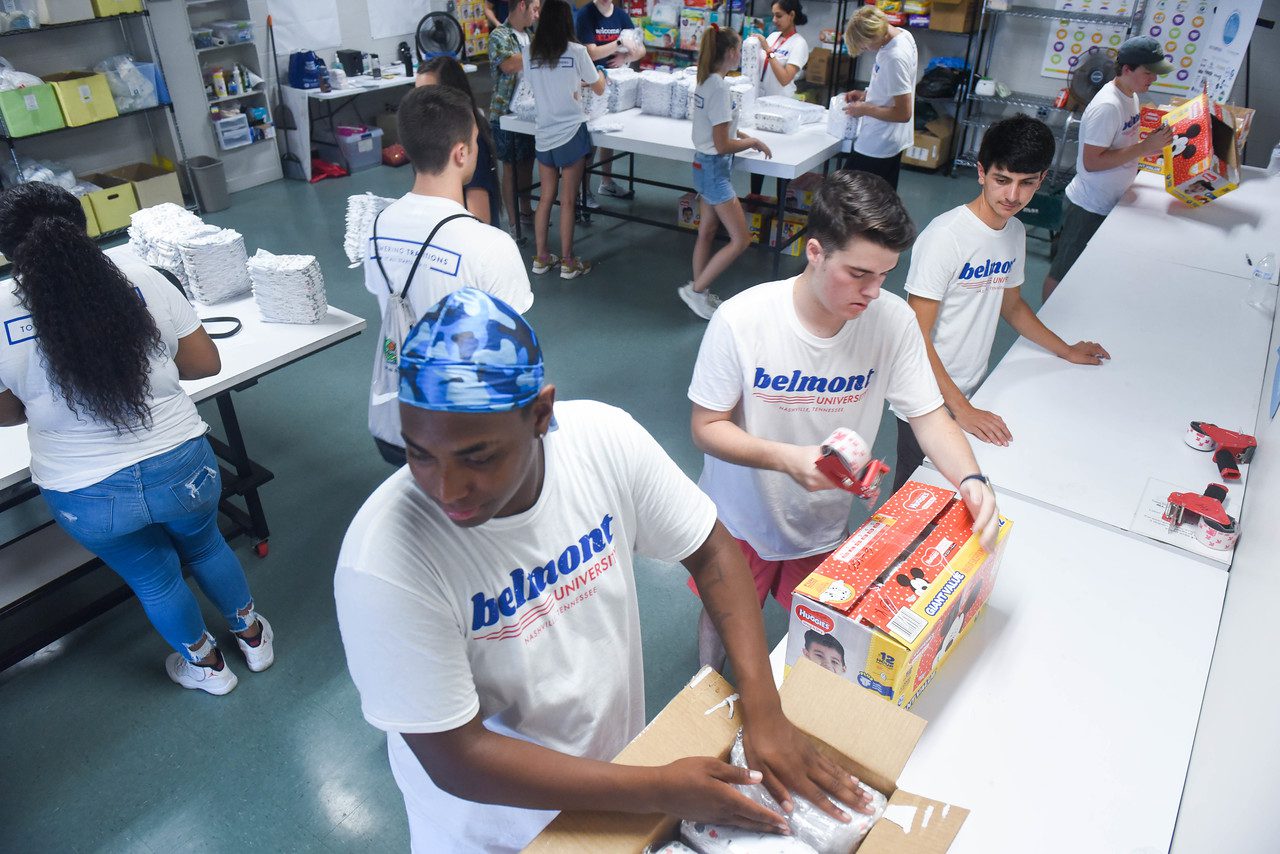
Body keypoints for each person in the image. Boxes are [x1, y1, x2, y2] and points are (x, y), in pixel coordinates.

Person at [334, 288, 877, 854]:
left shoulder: (601, 442)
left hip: (614, 778)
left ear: (541, 414)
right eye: (419, 453)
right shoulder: (386, 561)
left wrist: (763, 707)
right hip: (497, 830)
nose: (447, 488)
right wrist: (657, 789)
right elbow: (459, 760)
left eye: (478, 456)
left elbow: (713, 550)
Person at [686, 171, 999, 668]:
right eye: (859, 274)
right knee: (723, 615)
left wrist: (971, 477)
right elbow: (706, 427)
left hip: (822, 525)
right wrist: (789, 460)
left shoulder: (891, 320)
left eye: (885, 276)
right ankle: (703, 683)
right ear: (815, 252)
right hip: (739, 519)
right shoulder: (743, 321)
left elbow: (928, 414)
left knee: (816, 632)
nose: (874, 292)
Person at [0, 182, 273, 695]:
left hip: (86, 488)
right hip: (181, 465)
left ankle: (209, 669)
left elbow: (8, 415)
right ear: (81, 230)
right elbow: (203, 363)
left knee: (153, 578)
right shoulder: (142, 278)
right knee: (207, 544)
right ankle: (253, 638)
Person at [895, 115, 1111, 492]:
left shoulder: (1014, 231)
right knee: (915, 494)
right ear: (981, 173)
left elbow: (1011, 305)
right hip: (927, 398)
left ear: (1042, 180)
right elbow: (914, 335)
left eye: (1026, 183)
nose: (1013, 195)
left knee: (952, 493)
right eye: (1002, 180)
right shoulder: (947, 238)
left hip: (971, 386)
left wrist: (1066, 350)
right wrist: (960, 408)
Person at [365, 85, 532, 467]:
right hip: (467, 432)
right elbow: (510, 355)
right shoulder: (490, 245)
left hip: (400, 419)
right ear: (461, 153)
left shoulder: (376, 227)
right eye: (475, 141)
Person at [1043, 35, 1174, 300]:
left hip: (1111, 199)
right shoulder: (1107, 106)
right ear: (1127, 70)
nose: (1154, 79)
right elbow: (1092, 163)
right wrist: (1144, 148)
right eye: (1148, 72)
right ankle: (1043, 326)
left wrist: (1148, 148)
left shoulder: (1131, 95)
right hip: (1089, 205)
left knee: (1083, 270)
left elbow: (1121, 143)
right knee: (1062, 272)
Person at [681, 26, 773, 320]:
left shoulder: (707, 81)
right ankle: (695, 290)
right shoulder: (719, 87)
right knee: (741, 239)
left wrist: (743, 135)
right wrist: (753, 141)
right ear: (733, 53)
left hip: (703, 165)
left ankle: (700, 292)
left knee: (707, 231)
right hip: (714, 170)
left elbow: (721, 128)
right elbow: (722, 144)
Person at [524, 0, 606, 279]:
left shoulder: (529, 53)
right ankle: (569, 262)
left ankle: (542, 257)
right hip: (571, 132)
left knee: (546, 198)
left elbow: (539, 85)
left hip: (543, 133)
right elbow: (597, 88)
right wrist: (600, 76)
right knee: (568, 201)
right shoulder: (577, 51)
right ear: (567, 21)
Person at [575, 0, 645, 209]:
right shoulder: (586, 14)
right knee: (591, 139)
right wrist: (619, 43)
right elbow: (592, 53)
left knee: (610, 133)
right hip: (592, 83)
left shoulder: (621, 15)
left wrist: (625, 55)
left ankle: (606, 182)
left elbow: (640, 49)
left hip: (617, 82)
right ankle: (583, 191)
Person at [418, 56, 500, 226]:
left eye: (429, 95)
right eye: (417, 94)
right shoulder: (431, 134)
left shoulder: (471, 138)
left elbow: (480, 220)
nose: (419, 104)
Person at [841, 5, 917, 189]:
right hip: (889, 140)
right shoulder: (902, 35)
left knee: (848, 196)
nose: (866, 49)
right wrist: (866, 95)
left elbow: (903, 113)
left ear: (876, 35)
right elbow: (893, 88)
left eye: (865, 45)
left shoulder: (894, 56)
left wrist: (864, 109)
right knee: (882, 203)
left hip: (879, 142)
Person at [488, 0, 540, 240]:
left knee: (527, 161)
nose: (537, 14)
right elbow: (508, 65)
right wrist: (541, 49)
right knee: (510, 167)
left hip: (529, 112)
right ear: (522, 5)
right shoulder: (500, 35)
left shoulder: (530, 34)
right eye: (534, 8)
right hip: (505, 114)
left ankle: (526, 212)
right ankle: (512, 222)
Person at [749, 0, 809, 196]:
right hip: (761, 104)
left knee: (780, 159)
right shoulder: (773, 36)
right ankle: (755, 198)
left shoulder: (799, 44)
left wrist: (768, 51)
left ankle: (781, 205)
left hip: (782, 108)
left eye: (779, 15)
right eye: (773, 15)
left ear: (791, 15)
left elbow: (784, 79)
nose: (774, 20)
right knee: (758, 155)